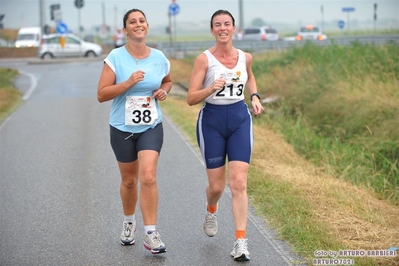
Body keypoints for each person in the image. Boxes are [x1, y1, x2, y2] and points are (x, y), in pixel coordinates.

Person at [186, 9, 264, 261]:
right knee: (217, 186)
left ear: (233, 29)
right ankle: (211, 209)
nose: (222, 28)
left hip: (240, 120)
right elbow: (190, 98)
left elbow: (250, 76)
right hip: (212, 123)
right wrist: (211, 87)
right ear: (212, 30)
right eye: (217, 24)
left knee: (239, 182)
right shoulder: (204, 60)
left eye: (227, 24)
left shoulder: (245, 57)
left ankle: (240, 242)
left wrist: (254, 96)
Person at [97, 8, 172, 254]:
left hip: (151, 125)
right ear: (125, 29)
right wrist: (128, 83)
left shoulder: (159, 57)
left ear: (147, 26)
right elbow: (101, 94)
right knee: (129, 181)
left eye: (141, 20)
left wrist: (164, 91)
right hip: (122, 127)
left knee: (148, 176)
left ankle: (151, 232)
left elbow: (167, 80)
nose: (138, 24)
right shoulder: (116, 57)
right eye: (132, 22)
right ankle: (129, 222)